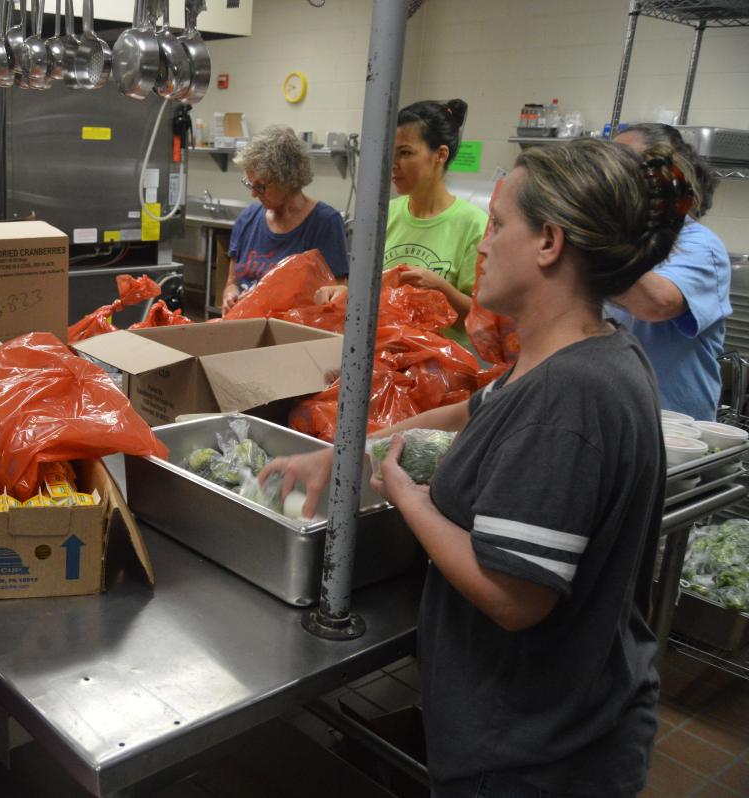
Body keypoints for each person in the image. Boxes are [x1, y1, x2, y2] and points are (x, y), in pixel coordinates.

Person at [263, 138, 690, 797]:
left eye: (496, 225)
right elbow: (466, 413)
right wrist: (343, 452)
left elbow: (513, 597)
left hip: (537, 754)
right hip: (562, 725)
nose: (482, 245)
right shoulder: (584, 354)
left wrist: (409, 498)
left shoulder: (570, 396)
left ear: (550, 242)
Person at [318, 100, 488, 348]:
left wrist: (441, 289)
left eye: (405, 153)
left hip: (438, 370)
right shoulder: (382, 215)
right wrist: (342, 295)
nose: (392, 165)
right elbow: (365, 293)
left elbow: (482, 322)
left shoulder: (474, 225)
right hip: (379, 360)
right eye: (390, 153)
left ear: (440, 155)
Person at [610, 123, 731, 421]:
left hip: (670, 426)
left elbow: (656, 304)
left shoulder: (699, 244)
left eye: (625, 164)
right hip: (612, 415)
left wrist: (591, 235)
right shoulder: (622, 239)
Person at [221, 125, 349, 314]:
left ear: (288, 179)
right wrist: (230, 296)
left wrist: (267, 299)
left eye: (261, 186)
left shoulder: (324, 223)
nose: (254, 194)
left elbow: (336, 299)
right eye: (250, 184)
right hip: (245, 325)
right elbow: (232, 282)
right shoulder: (246, 220)